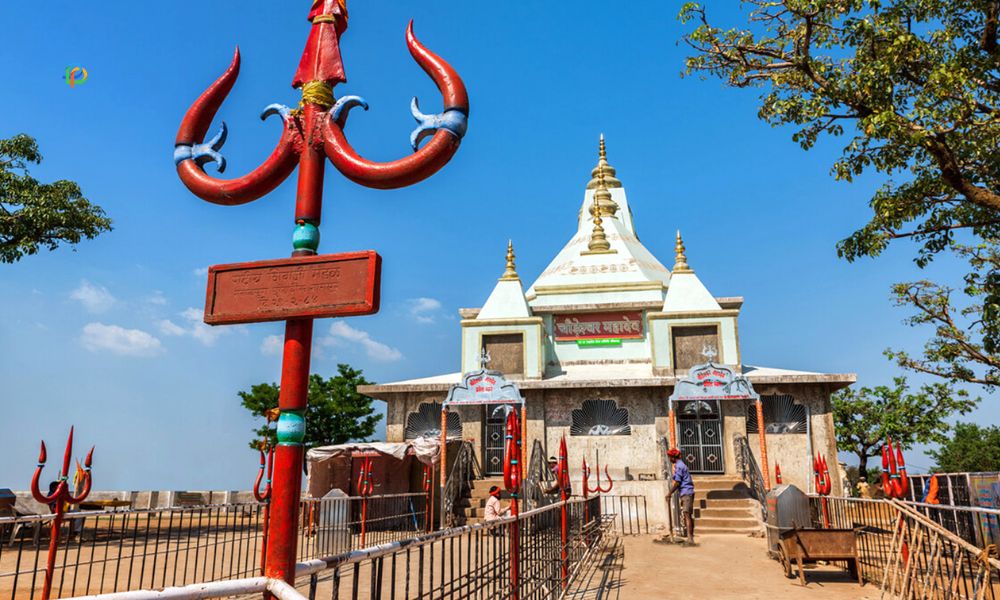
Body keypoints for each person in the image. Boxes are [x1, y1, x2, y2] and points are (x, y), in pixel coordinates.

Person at [666, 448, 696, 546]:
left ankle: (690, 539)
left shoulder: (679, 466)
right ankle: (690, 537)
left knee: (687, 515)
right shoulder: (681, 465)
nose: (670, 459)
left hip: (686, 492)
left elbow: (677, 483)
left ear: (673, 457)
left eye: (670, 457)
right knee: (687, 515)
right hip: (686, 492)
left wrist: (669, 493)